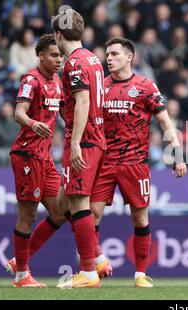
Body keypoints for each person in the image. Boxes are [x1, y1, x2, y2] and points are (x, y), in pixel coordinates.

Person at [90, 37, 187, 288]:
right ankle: (93, 266)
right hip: (104, 161)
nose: (108, 58)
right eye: (107, 54)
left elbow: (166, 123)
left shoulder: (145, 86)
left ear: (129, 57)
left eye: (114, 54)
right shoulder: (100, 86)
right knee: (92, 215)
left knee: (140, 219)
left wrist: (177, 155)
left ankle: (140, 274)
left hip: (135, 163)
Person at [52, 9, 107, 289]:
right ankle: (96, 259)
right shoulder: (93, 59)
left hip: (84, 141)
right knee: (64, 203)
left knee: (78, 204)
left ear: (59, 35)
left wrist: (73, 142)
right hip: (97, 137)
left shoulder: (73, 62)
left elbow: (83, 101)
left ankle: (88, 271)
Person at [7, 34, 66, 288]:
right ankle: (22, 275)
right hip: (27, 155)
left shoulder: (59, 84)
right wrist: (33, 123)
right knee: (28, 214)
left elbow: (66, 113)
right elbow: (18, 113)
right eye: (53, 55)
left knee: (60, 212)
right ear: (40, 55)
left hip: (46, 158)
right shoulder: (32, 79)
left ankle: (18, 261)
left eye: (60, 55)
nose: (59, 60)